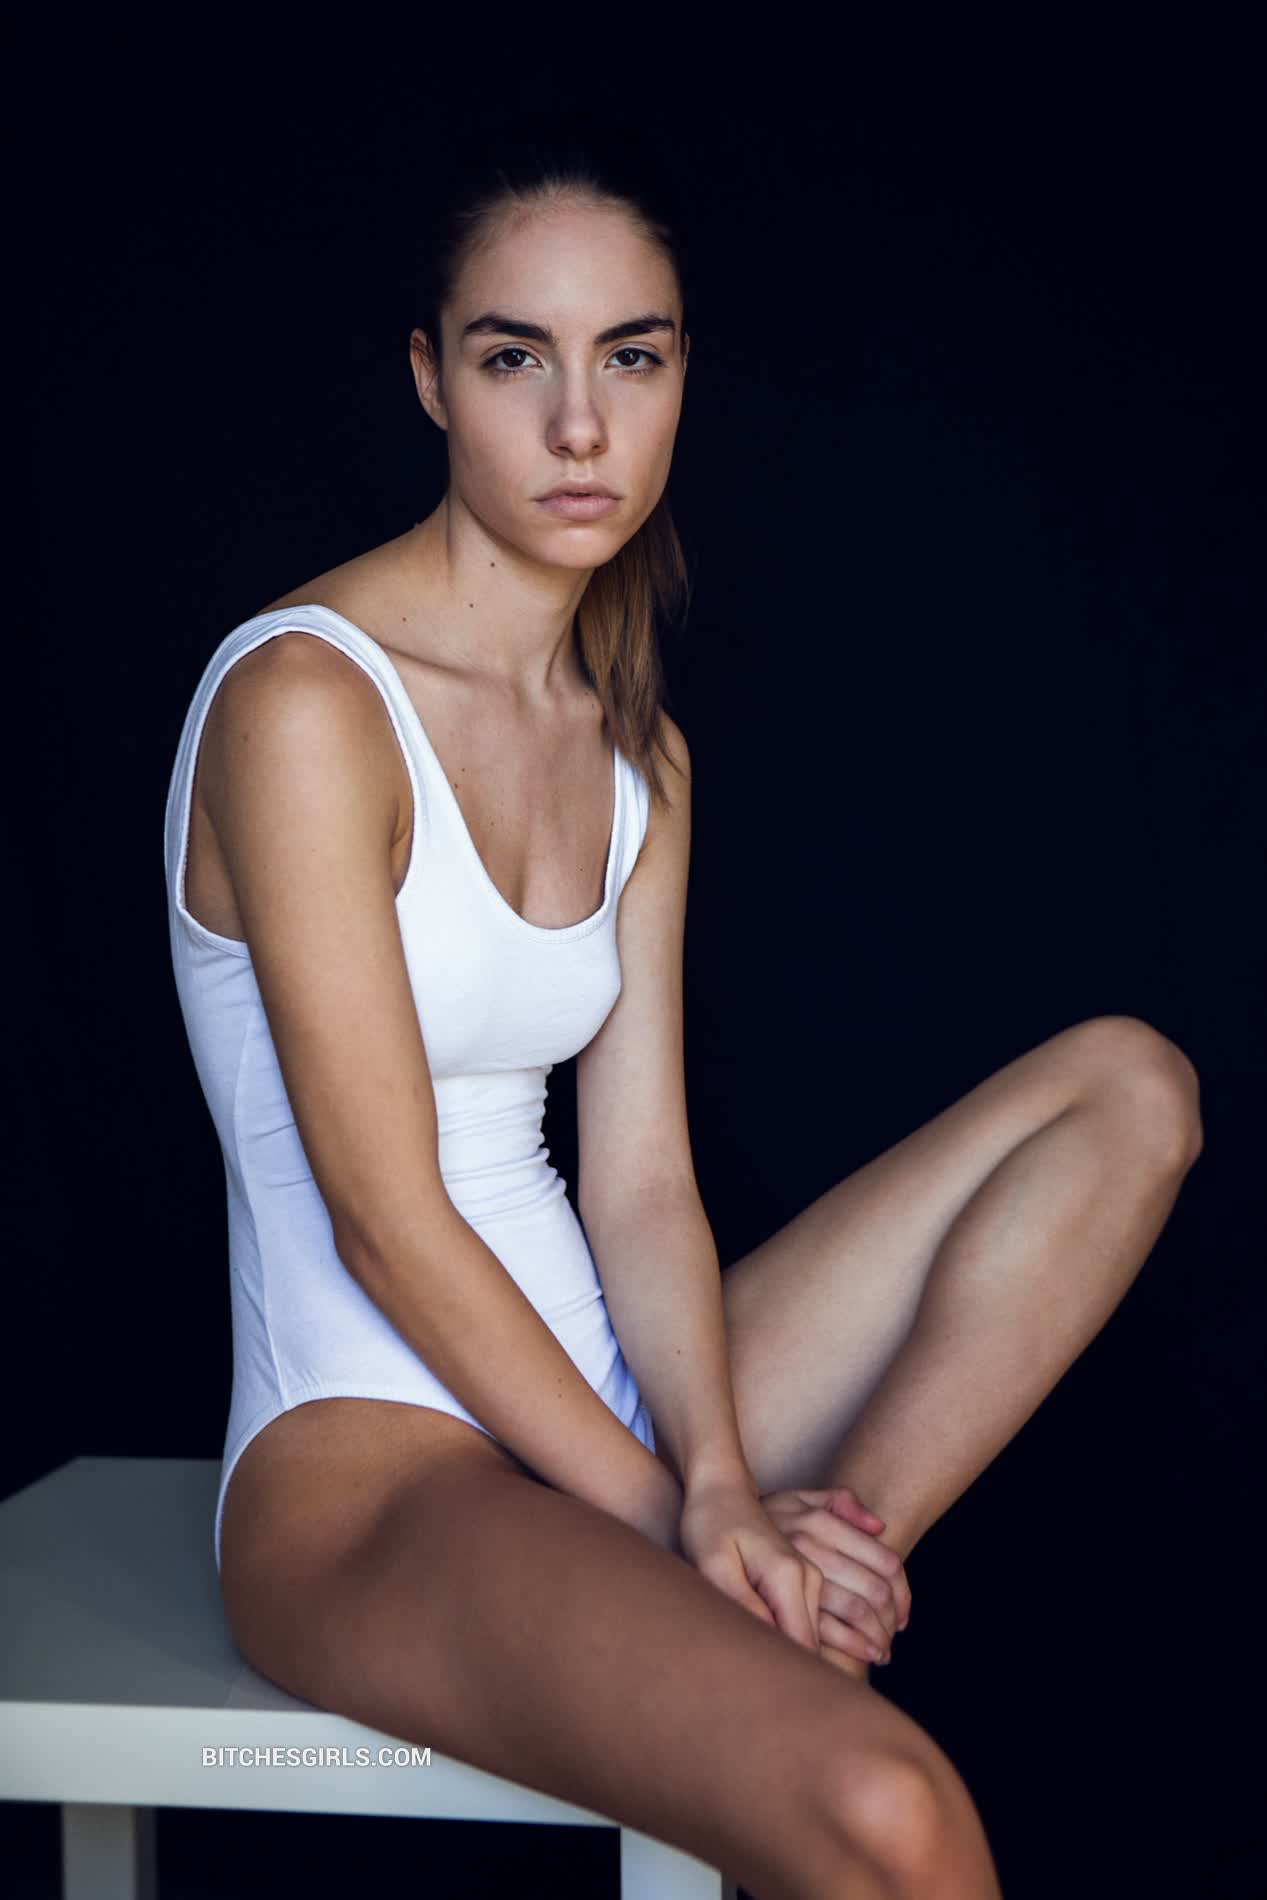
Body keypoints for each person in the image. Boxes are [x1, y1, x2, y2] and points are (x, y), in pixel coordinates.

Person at [162, 106, 1202, 1898]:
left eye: (630, 359)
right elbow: (384, 1219)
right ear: (430, 380)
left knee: (1131, 1089)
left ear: (679, 379)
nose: (581, 425)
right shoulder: (306, 703)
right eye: (517, 359)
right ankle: (767, 1586)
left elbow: (640, 1186)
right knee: (885, 1814)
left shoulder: (639, 752)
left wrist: (718, 1470)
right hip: (374, 1474)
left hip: (614, 1409)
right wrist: (680, 1507)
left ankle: (829, 1564)